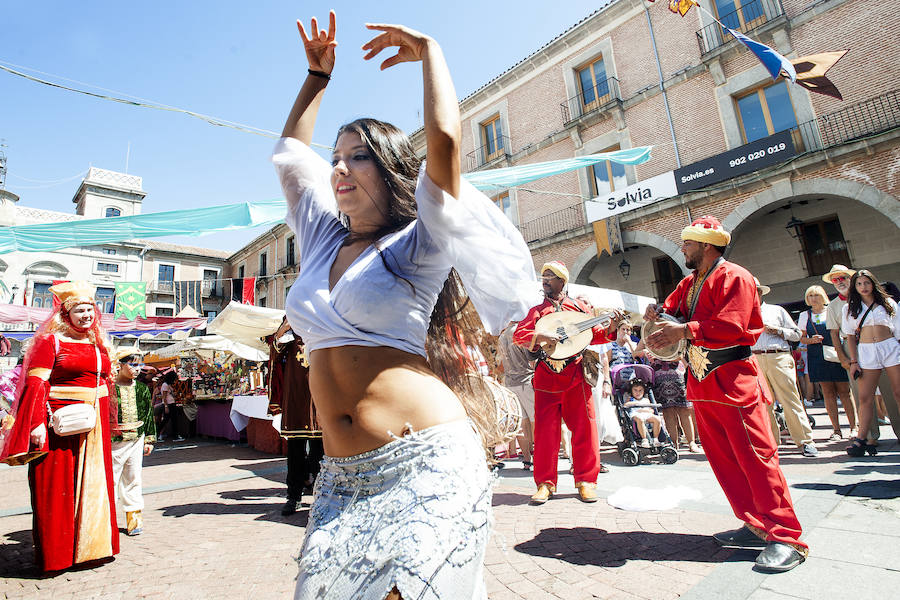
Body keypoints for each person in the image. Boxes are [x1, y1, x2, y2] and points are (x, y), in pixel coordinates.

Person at [273, 12, 535, 599]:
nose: (339, 167)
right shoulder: (319, 238)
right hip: (340, 480)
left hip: (427, 460)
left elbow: (444, 143)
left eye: (357, 156)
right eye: (336, 156)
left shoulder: (419, 242)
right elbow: (291, 155)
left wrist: (431, 50)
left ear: (388, 167)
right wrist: (316, 78)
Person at [645, 216, 807, 573]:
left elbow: (734, 327)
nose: (682, 248)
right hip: (702, 384)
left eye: (687, 243)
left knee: (757, 460)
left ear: (706, 245)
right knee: (725, 462)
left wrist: (682, 330)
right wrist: (657, 315)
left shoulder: (735, 276)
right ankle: (755, 524)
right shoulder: (689, 282)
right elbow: (671, 310)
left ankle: (786, 537)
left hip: (735, 382)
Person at [0, 281, 119, 571]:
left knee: (95, 486)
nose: (86, 315)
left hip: (95, 426)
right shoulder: (48, 342)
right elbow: (36, 385)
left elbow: (105, 382)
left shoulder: (98, 342)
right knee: (56, 487)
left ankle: (92, 548)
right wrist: (37, 424)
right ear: (66, 314)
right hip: (58, 425)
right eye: (79, 310)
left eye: (90, 309)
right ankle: (59, 555)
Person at [513, 261, 620, 505]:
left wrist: (612, 326)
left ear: (563, 280)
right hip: (545, 378)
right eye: (543, 276)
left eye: (550, 276)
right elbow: (519, 335)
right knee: (545, 434)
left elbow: (596, 335)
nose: (545, 280)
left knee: (584, 429)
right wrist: (539, 335)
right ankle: (545, 483)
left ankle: (586, 481)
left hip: (576, 375)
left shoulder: (579, 307)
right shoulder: (537, 312)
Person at [751, 278, 818, 457]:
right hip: (755, 357)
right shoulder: (743, 313)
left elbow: (797, 334)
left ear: (761, 292)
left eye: (756, 290)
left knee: (790, 399)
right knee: (763, 403)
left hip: (778, 354)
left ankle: (805, 440)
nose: (753, 294)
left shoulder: (776, 310)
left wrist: (778, 331)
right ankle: (770, 442)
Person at [265, 321, 324, 516]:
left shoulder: (324, 330)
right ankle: (294, 496)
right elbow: (275, 349)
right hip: (296, 401)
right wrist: (284, 327)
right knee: (295, 453)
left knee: (320, 454)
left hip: (320, 402)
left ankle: (322, 495)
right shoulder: (290, 333)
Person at [842, 269, 900, 456]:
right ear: (855, 287)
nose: (863, 287)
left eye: (866, 283)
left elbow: (898, 330)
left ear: (873, 283)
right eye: (859, 284)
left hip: (890, 347)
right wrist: (853, 361)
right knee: (865, 397)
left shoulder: (888, 302)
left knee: (898, 392)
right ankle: (861, 439)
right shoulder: (850, 308)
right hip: (866, 352)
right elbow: (849, 336)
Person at [798, 284, 854, 441]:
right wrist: (811, 340)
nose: (813, 298)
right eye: (810, 296)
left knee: (844, 392)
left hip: (837, 352)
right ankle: (836, 430)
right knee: (828, 393)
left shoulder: (833, 309)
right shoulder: (804, 316)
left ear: (822, 296)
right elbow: (801, 337)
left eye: (816, 295)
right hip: (817, 355)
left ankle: (853, 427)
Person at [824, 264, 874, 442]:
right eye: (835, 279)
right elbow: (834, 333)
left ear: (850, 278)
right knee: (861, 393)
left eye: (843, 278)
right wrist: (842, 357)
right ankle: (869, 435)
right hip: (849, 346)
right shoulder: (833, 306)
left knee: (888, 390)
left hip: (873, 342)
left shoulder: (865, 297)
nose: (839, 282)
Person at [111, 348, 156, 536]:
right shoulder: (109, 388)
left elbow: (148, 414)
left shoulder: (142, 389)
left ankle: (134, 517)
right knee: (110, 480)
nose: (137, 369)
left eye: (140, 365)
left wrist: (149, 439)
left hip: (136, 439)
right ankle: (107, 520)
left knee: (133, 478)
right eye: (133, 365)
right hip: (113, 441)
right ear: (119, 365)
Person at [497, 321, 535, 470]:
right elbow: (530, 357)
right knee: (534, 422)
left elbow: (501, 362)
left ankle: (526, 459)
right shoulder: (520, 332)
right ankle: (538, 457)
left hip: (510, 382)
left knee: (521, 423)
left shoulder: (502, 336)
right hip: (525, 380)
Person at [650, 358, 698, 452]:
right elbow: (636, 353)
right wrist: (644, 352)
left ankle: (692, 443)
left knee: (685, 410)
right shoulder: (647, 342)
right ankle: (673, 444)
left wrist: (679, 357)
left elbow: (683, 353)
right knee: (668, 412)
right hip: (660, 376)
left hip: (678, 374)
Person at [623, 378, 662, 448]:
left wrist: (644, 410)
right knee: (640, 419)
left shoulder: (646, 400)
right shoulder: (631, 399)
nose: (638, 392)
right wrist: (635, 403)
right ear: (631, 391)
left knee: (657, 419)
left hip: (646, 414)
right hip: (635, 415)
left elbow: (651, 410)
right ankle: (644, 439)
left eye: (640, 390)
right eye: (635, 390)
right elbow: (625, 405)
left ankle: (655, 439)